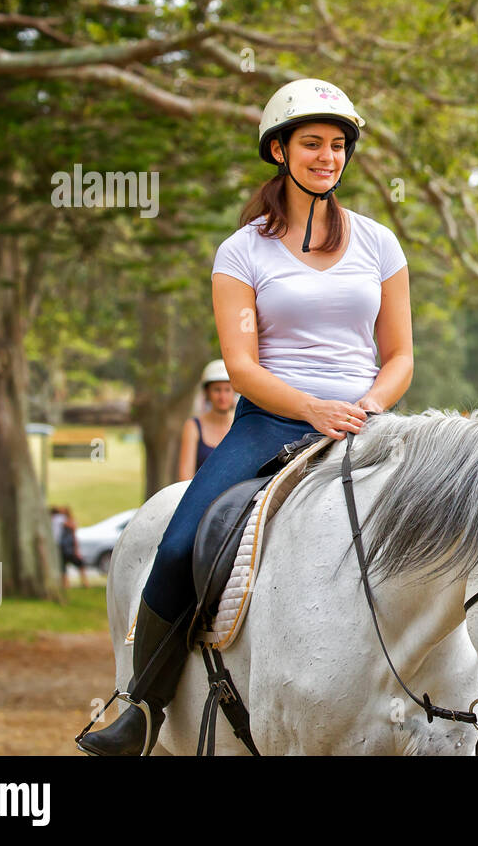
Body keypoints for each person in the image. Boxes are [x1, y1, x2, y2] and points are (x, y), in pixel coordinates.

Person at [78, 78, 413, 755]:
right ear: (280, 151)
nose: (328, 156)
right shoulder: (243, 252)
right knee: (176, 547)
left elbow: (401, 354)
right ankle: (140, 706)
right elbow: (241, 365)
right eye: (312, 143)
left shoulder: (380, 244)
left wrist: (368, 406)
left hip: (368, 423)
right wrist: (312, 407)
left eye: (338, 145)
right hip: (271, 424)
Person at [178, 360, 236, 481]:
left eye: (227, 389)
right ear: (207, 392)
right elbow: (185, 477)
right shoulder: (193, 426)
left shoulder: (241, 423)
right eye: (217, 390)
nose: (222, 396)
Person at [58, 506, 88, 590]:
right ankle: (66, 584)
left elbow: (74, 537)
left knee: (80, 564)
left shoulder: (68, 523)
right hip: (63, 548)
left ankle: (84, 582)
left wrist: (76, 550)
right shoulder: (61, 522)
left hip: (69, 548)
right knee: (63, 568)